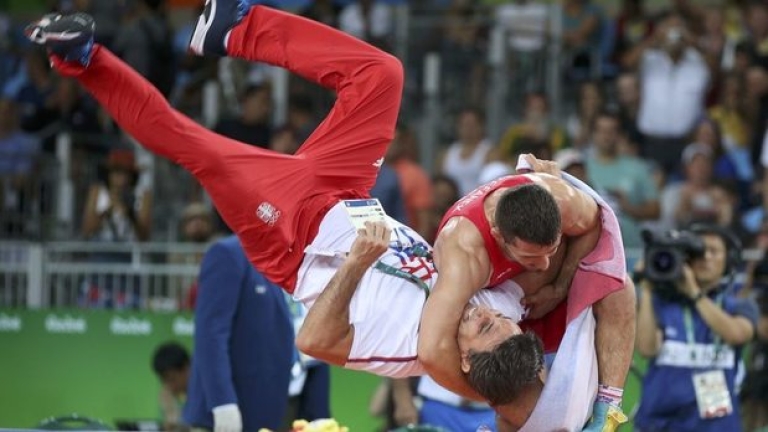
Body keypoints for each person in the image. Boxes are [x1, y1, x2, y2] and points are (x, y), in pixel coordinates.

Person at [24, 3, 525, 380]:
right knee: (382, 74)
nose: (487, 314)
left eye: (485, 328)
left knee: (192, 144)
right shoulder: (503, 315)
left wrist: (355, 266)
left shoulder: (409, 350)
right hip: (344, 191)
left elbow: (314, 340)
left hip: (291, 235)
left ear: (462, 358)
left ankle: (83, 58)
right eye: (498, 320)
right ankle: (237, 28)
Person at [418, 156, 637, 429]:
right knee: (524, 404)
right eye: (531, 256)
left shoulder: (563, 201)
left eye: (552, 249)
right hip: (489, 302)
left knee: (620, 287)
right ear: (499, 236)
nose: (544, 264)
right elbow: (431, 352)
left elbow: (593, 226)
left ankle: (608, 409)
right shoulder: (462, 256)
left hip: (535, 295)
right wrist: (495, 397)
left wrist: (559, 286)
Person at [634, 224, 759, 432]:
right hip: (659, 425)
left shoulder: (739, 306)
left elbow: (736, 334)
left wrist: (694, 293)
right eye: (699, 251)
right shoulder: (661, 303)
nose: (706, 257)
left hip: (717, 427)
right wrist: (647, 289)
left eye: (714, 251)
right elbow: (646, 349)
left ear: (729, 260)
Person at [184, 235, 295, 431]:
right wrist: (222, 403)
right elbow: (210, 334)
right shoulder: (228, 254)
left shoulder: (281, 260)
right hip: (224, 417)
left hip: (265, 414)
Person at [152, 342, 191, 431]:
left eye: (172, 379)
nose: (169, 386)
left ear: (187, 368)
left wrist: (174, 419)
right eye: (164, 381)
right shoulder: (171, 399)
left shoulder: (206, 395)